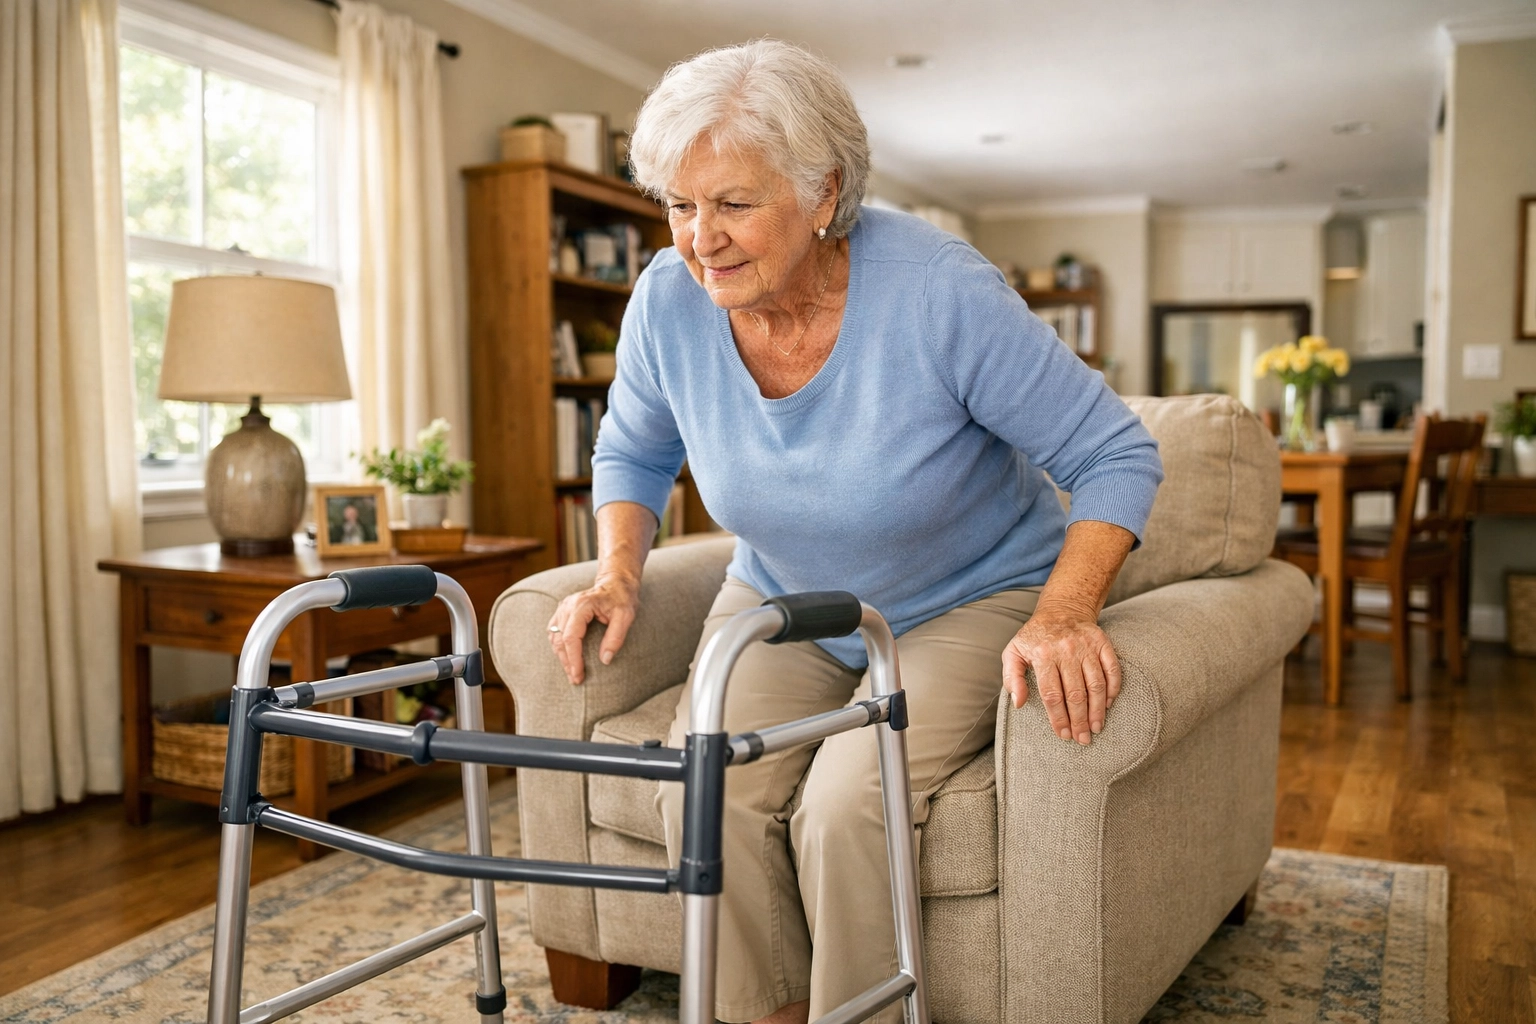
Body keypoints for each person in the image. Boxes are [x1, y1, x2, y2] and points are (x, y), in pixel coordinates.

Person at [545, 39, 1164, 1024]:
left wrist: (1064, 610)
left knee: (844, 805)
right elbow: (631, 450)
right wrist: (620, 573)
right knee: (703, 783)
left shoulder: (939, 293)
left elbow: (1115, 456)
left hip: (966, 592)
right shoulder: (670, 300)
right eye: (679, 204)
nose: (700, 238)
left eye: (734, 203)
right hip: (785, 592)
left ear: (825, 192)